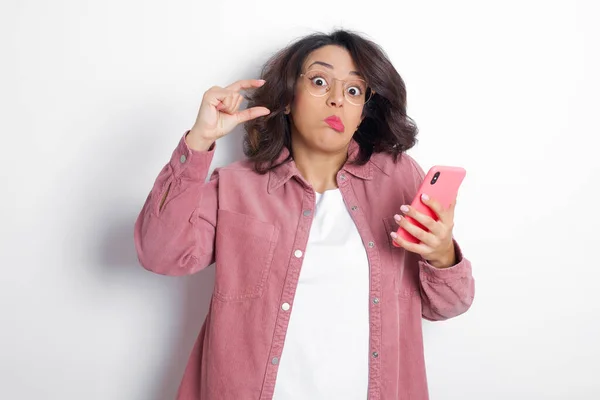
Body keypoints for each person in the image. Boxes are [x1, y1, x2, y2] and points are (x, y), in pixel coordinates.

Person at [134, 29, 475, 400]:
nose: (336, 101)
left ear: (363, 111)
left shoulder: (400, 177)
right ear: (287, 99)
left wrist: (441, 254)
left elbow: (449, 305)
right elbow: (159, 254)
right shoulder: (236, 187)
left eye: (353, 90)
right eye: (319, 81)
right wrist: (198, 143)